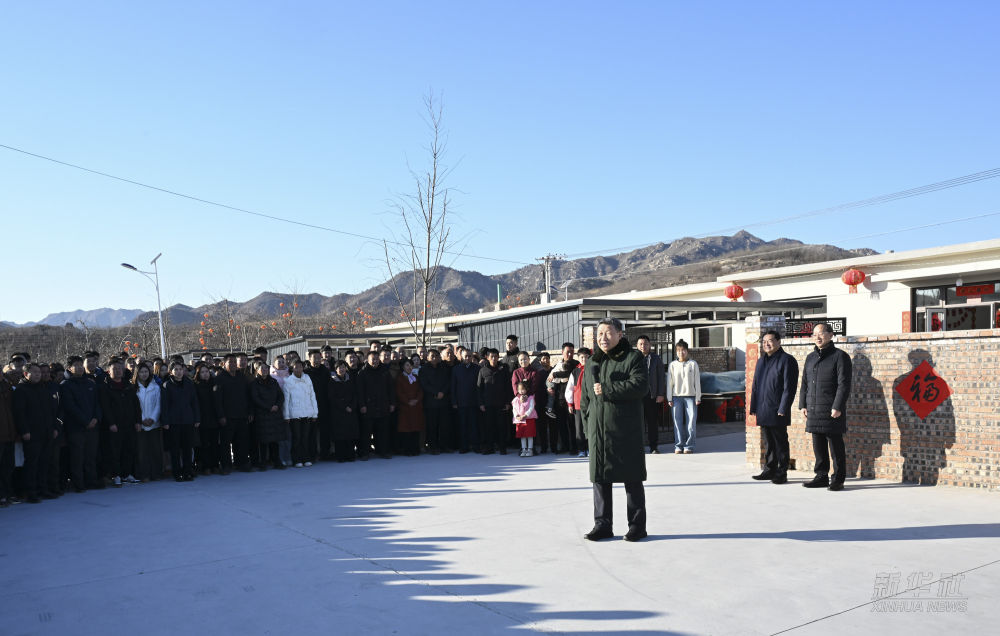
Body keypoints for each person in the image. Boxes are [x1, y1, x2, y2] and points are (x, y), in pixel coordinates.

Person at [580, 318, 649, 542]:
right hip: (598, 432)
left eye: (608, 333)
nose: (603, 338)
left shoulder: (633, 357)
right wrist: (588, 428)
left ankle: (637, 526)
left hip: (625, 430)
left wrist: (608, 388)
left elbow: (640, 386)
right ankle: (602, 524)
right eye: (600, 333)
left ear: (620, 334)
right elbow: (585, 399)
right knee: (600, 479)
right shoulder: (592, 362)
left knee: (632, 478)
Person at [799, 322, 852, 491]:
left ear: (830, 335)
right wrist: (803, 404)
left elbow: (844, 384)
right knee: (818, 446)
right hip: (814, 408)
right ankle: (821, 476)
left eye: (821, 333)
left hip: (831, 409)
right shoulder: (810, 358)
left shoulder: (840, 356)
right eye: (814, 334)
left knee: (836, 446)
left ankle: (838, 479)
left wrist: (838, 406)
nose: (817, 337)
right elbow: (805, 383)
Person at [749, 330, 799, 484]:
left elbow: (789, 388)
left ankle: (781, 472)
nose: (767, 344)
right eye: (764, 342)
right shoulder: (761, 361)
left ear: (778, 342)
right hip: (763, 408)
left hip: (778, 409)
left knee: (780, 442)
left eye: (770, 341)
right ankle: (769, 469)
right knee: (768, 442)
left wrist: (783, 408)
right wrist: (754, 406)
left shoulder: (787, 360)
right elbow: (755, 386)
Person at [12, 362, 61, 503]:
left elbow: (51, 411)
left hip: (46, 432)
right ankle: (31, 492)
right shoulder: (21, 390)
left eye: (39, 372)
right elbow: (19, 413)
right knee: (32, 464)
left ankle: (42, 489)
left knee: (44, 463)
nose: (38, 375)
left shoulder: (43, 388)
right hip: (31, 434)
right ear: (26, 374)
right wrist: (24, 431)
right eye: (34, 372)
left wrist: (54, 428)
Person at [60, 355, 102, 491]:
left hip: (93, 427)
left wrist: (95, 418)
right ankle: (78, 483)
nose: (79, 368)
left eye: (80, 365)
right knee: (77, 457)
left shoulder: (90, 383)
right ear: (69, 368)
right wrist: (85, 421)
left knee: (91, 456)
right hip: (76, 428)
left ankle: (91, 481)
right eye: (76, 365)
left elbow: (97, 403)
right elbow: (70, 407)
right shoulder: (65, 385)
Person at [98, 358, 141, 487]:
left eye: (120, 368)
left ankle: (126, 474)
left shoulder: (128, 385)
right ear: (109, 371)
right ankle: (115, 475)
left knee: (129, 449)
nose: (118, 371)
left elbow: (136, 405)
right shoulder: (105, 387)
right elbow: (105, 407)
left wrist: (138, 421)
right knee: (114, 451)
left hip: (129, 424)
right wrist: (111, 423)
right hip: (114, 425)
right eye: (114, 369)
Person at [161, 361, 200, 482]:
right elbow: (164, 405)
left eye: (180, 369)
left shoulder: (189, 383)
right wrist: (165, 421)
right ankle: (177, 472)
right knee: (175, 449)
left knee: (187, 448)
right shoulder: (167, 385)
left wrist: (197, 418)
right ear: (171, 372)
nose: (178, 372)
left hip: (188, 420)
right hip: (174, 421)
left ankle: (188, 471)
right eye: (176, 369)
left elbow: (194, 402)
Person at [213, 354, 252, 472]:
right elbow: (217, 399)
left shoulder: (241, 377)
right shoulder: (220, 378)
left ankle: (242, 463)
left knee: (242, 441)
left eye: (235, 362)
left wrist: (250, 411)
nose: (233, 364)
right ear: (224, 364)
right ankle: (226, 465)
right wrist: (221, 415)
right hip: (227, 416)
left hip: (242, 415)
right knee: (225, 443)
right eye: (230, 362)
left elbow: (248, 395)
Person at [357, 350, 395, 459]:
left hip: (383, 405)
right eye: (373, 359)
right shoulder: (362, 372)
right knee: (366, 432)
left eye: (377, 359)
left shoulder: (385, 371)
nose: (375, 361)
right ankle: (365, 453)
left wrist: (392, 403)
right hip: (368, 407)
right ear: (367, 360)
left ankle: (383, 451)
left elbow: (391, 389)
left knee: (383, 431)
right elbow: (360, 391)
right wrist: (362, 405)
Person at [250, 359, 287, 470]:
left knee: (275, 440)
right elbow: (255, 398)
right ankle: (263, 462)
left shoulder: (273, 382)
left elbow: (281, 396)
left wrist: (277, 405)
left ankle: (276, 460)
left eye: (266, 368)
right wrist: (268, 407)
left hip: (275, 414)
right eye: (262, 368)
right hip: (262, 414)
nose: (264, 370)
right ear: (257, 370)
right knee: (263, 441)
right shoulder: (254, 383)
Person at [667, 340, 701, 454]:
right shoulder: (672, 365)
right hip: (676, 397)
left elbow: (697, 381)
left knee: (691, 423)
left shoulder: (693, 364)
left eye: (683, 350)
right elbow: (670, 383)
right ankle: (678, 446)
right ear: (676, 352)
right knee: (677, 423)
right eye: (678, 350)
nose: (681, 352)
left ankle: (689, 446)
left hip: (691, 397)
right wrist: (669, 398)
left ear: (687, 351)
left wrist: (698, 397)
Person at [283, 360, 318, 467]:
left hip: (307, 413)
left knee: (306, 437)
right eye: (296, 367)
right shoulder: (288, 381)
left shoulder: (307, 378)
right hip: (294, 414)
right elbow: (286, 400)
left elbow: (312, 395)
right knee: (297, 438)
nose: (298, 369)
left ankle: (306, 458)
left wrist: (315, 413)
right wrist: (286, 415)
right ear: (292, 368)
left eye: (300, 366)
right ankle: (296, 459)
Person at [134, 362, 164, 482]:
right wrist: (142, 419)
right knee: (142, 451)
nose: (144, 374)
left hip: (154, 423)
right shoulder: (133, 388)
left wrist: (153, 418)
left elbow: (159, 405)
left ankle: (156, 473)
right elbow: (134, 407)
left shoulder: (156, 387)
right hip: (140, 424)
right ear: (137, 374)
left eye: (146, 371)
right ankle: (144, 474)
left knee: (155, 449)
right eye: (141, 372)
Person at [635, 335, 666, 454]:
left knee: (652, 422)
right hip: (637, 396)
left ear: (650, 345)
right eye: (641, 344)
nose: (643, 346)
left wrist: (660, 394)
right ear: (637, 346)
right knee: (638, 422)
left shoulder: (656, 358)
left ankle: (653, 446)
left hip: (652, 395)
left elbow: (661, 377)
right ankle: (638, 446)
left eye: (645, 344)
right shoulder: (633, 358)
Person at [477, 348, 511, 454]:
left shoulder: (503, 369)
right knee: (489, 427)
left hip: (501, 403)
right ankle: (490, 447)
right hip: (488, 404)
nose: (494, 358)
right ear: (487, 357)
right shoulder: (482, 370)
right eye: (491, 356)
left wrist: (508, 402)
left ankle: (502, 447)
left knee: (502, 426)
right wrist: (481, 403)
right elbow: (479, 388)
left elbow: (508, 387)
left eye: (496, 356)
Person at [420, 349, 451, 454]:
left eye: (436, 356)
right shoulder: (424, 369)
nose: (434, 358)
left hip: (443, 400)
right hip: (430, 402)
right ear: (427, 357)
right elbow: (424, 384)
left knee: (444, 425)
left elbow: (448, 382)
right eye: (432, 356)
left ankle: (444, 446)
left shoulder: (443, 368)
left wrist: (443, 392)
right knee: (432, 426)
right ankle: (433, 447)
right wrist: (436, 393)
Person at [329, 360, 360, 462]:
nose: (341, 369)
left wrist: (352, 406)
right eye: (339, 367)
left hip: (351, 411)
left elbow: (355, 394)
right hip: (338, 413)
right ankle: (341, 456)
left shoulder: (350, 379)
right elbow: (332, 397)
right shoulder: (332, 381)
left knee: (350, 434)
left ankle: (350, 455)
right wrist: (344, 407)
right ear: (335, 369)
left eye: (343, 367)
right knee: (340, 436)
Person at [450, 347, 480, 453]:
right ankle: (464, 446)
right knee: (462, 425)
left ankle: (475, 445)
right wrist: (454, 401)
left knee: (474, 425)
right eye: (465, 356)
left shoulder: (477, 368)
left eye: (469, 356)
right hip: (461, 402)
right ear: (461, 357)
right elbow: (453, 386)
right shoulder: (456, 369)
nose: (468, 358)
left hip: (474, 402)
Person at [305, 350, 333, 461]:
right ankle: (312, 454)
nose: (317, 360)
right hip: (310, 406)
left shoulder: (325, 371)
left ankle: (325, 453)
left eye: (318, 358)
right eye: (314, 358)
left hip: (324, 405)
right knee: (311, 432)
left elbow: (330, 387)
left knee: (325, 431)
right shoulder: (306, 372)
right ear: (309, 359)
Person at [192, 363, 219, 475]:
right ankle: (206, 466)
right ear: (198, 374)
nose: (205, 374)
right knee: (204, 444)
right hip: (202, 418)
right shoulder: (196, 386)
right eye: (202, 372)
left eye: (206, 371)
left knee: (214, 443)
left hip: (214, 418)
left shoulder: (215, 384)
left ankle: (215, 465)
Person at [565, 347, 592, 457]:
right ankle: (581, 449)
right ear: (578, 358)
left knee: (590, 427)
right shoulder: (575, 372)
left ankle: (590, 448)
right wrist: (570, 403)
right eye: (582, 357)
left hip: (591, 404)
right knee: (579, 428)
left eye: (586, 357)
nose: (584, 359)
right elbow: (570, 388)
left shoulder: (594, 369)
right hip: (578, 404)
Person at [395, 359, 425, 456]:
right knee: (406, 430)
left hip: (416, 407)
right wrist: (408, 401)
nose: (409, 367)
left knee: (416, 429)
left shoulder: (415, 377)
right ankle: (407, 450)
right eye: (407, 365)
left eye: (411, 365)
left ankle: (415, 449)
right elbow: (399, 393)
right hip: (405, 408)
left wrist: (417, 400)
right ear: (403, 367)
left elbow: (420, 390)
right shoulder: (399, 378)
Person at [511, 380, 537, 457]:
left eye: (523, 389)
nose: (521, 391)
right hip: (520, 420)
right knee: (522, 436)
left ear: (527, 389)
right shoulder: (516, 399)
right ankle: (524, 449)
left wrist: (525, 415)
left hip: (529, 419)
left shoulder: (531, 397)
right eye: (519, 389)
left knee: (529, 435)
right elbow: (514, 408)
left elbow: (531, 407)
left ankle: (530, 449)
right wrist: (517, 416)